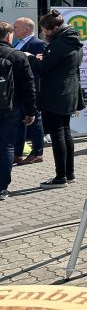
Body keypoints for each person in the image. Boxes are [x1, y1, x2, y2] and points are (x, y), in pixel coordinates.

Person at [28, 10, 83, 189]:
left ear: (55, 28)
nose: (44, 34)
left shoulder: (59, 43)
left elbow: (44, 68)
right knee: (66, 132)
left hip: (56, 93)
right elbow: (61, 64)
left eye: (45, 31)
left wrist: (31, 59)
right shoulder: (72, 41)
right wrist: (46, 58)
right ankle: (70, 173)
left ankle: (60, 177)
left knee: (57, 133)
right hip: (69, 92)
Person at [0, 22, 36, 201]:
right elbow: (29, 86)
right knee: (6, 145)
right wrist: (30, 112)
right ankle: (2, 188)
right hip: (12, 107)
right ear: (8, 36)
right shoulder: (18, 55)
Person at [12, 17, 46, 165]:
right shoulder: (18, 44)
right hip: (18, 89)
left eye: (17, 27)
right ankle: (17, 153)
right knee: (21, 120)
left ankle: (37, 152)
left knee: (34, 118)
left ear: (27, 29)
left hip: (31, 88)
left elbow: (40, 68)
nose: (14, 30)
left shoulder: (39, 44)